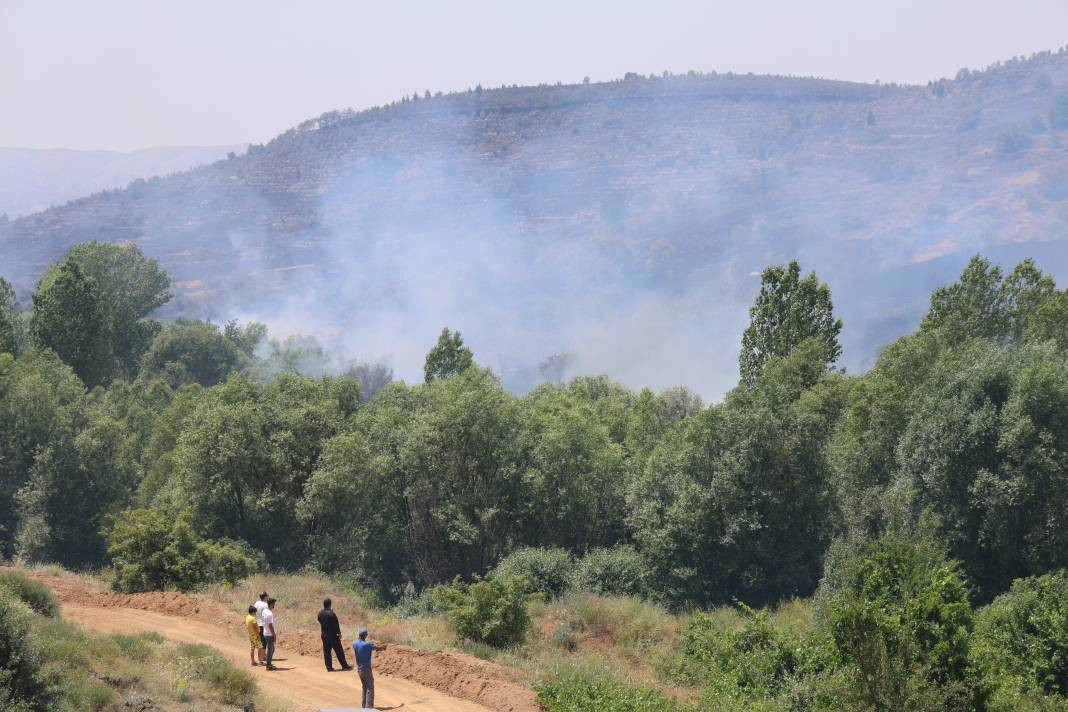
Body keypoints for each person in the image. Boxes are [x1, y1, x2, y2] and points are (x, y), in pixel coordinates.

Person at [352, 626, 387, 709]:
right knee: (370, 688)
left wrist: (371, 643)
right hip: (366, 669)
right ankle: (369, 708)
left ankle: (364, 706)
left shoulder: (355, 643)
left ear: (359, 635)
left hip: (359, 669)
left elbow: (365, 645)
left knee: (364, 687)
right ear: (366, 636)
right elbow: (378, 648)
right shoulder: (367, 644)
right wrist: (384, 646)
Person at [317, 598, 351, 672]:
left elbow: (319, 620)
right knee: (339, 650)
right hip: (332, 635)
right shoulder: (331, 614)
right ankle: (344, 666)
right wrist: (339, 633)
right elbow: (336, 624)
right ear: (330, 604)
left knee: (326, 651)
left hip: (324, 634)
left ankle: (329, 667)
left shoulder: (320, 613)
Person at [262, 597, 279, 670]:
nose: (274, 605)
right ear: (271, 604)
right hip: (269, 634)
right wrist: (274, 635)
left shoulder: (264, 611)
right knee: (270, 649)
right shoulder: (269, 614)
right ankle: (268, 666)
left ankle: (269, 664)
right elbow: (270, 626)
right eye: (274, 604)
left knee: (271, 649)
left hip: (265, 633)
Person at [253, 591, 269, 665]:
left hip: (257, 623)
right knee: (264, 641)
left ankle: (263, 655)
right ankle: (262, 657)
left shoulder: (256, 603)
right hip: (263, 624)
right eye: (267, 596)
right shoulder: (265, 604)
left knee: (260, 640)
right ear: (265, 597)